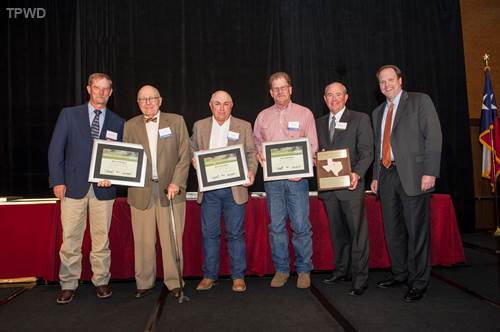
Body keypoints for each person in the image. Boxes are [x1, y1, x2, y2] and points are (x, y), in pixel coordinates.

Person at [48, 73, 124, 304]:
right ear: (88, 89)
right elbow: (55, 150)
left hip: (104, 190)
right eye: (97, 88)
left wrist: (112, 177)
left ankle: (101, 281)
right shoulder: (69, 115)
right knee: (71, 238)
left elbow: (120, 158)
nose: (101, 92)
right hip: (72, 187)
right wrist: (57, 181)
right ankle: (68, 283)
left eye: (106, 89)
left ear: (110, 92)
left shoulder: (118, 122)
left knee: (101, 240)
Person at [370, 65, 442, 303]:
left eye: (391, 80)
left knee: (417, 231)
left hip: (414, 175)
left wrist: (430, 172)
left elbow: (433, 137)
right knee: (393, 231)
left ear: (400, 80)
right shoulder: (378, 111)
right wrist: (376, 176)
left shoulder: (420, 101)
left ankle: (419, 281)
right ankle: (400, 273)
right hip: (387, 176)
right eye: (382, 82)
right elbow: (379, 147)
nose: (387, 85)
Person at [124, 85, 190, 298]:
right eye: (143, 99)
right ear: (138, 102)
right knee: (142, 240)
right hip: (140, 190)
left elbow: (184, 155)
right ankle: (144, 282)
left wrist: (177, 182)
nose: (148, 102)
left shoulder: (176, 121)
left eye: (152, 98)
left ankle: (174, 282)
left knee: (172, 239)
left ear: (160, 100)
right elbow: (125, 158)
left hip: (170, 190)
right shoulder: (130, 125)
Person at [254, 72, 318, 289]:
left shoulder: (305, 113)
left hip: (297, 180)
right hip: (272, 182)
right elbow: (256, 144)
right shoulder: (262, 116)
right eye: (276, 88)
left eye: (284, 87)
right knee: (277, 227)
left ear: (290, 89)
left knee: (301, 225)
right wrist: (259, 154)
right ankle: (281, 269)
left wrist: (303, 167)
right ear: (271, 92)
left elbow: (313, 146)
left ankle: (303, 270)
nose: (280, 91)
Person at [190, 90, 258, 293]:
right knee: (209, 234)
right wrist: (194, 159)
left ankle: (238, 276)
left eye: (226, 104)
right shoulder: (200, 125)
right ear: (210, 105)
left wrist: (252, 172)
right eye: (217, 103)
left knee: (235, 234)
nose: (221, 108)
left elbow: (251, 153)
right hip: (209, 190)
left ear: (232, 105)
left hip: (234, 190)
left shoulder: (243, 126)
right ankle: (209, 275)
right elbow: (191, 147)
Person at [316, 82, 373, 296]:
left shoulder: (360, 119)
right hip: (329, 189)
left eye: (338, 94)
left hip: (351, 186)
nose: (333, 99)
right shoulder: (319, 122)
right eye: (329, 95)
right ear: (324, 98)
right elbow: (316, 151)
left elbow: (367, 152)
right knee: (338, 233)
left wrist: (357, 173)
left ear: (346, 97)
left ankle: (360, 279)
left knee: (357, 234)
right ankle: (341, 271)